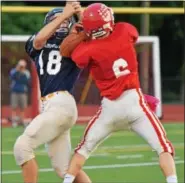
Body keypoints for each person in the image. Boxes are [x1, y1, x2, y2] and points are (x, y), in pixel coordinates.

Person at [63, 3, 177, 183]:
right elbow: (123, 33)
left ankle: (67, 181)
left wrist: (83, 33)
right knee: (163, 147)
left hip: (110, 108)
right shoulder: (125, 30)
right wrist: (92, 22)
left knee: (82, 150)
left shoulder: (87, 49)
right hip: (135, 103)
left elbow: (73, 55)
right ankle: (172, 181)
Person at [13, 2, 91, 183]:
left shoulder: (73, 45)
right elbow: (39, 40)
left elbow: (90, 35)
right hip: (52, 107)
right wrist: (64, 15)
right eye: (56, 21)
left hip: (61, 103)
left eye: (65, 21)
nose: (62, 23)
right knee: (65, 169)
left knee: (22, 147)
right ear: (48, 23)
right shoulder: (39, 42)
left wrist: (79, 15)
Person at [10, 59, 31, 127]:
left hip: (23, 92)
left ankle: (22, 121)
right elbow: (12, 77)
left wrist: (22, 73)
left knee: (23, 108)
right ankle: (14, 122)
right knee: (14, 107)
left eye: (22, 66)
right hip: (15, 92)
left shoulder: (26, 72)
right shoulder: (14, 71)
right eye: (20, 66)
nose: (21, 67)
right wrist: (17, 70)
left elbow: (27, 81)